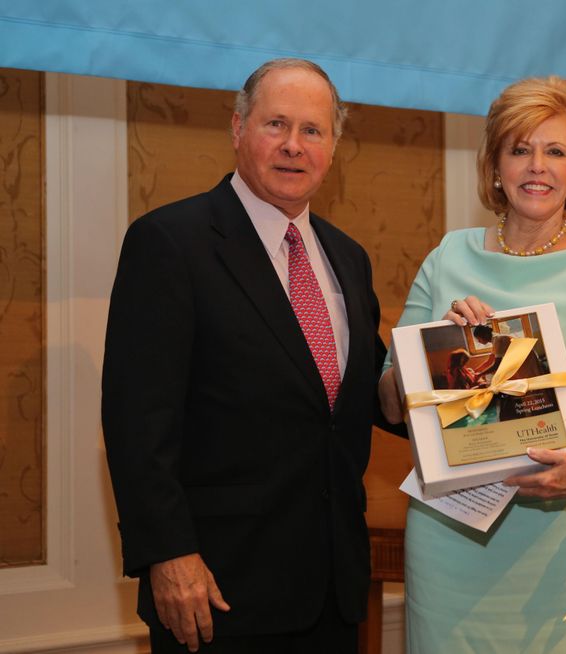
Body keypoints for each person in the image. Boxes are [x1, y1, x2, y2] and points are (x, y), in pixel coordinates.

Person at [102, 58, 395, 653]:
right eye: (275, 125)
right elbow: (138, 422)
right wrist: (168, 553)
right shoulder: (170, 243)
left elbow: (364, 398)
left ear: (333, 146)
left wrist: (480, 377)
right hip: (216, 593)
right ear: (238, 129)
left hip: (333, 592)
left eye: (312, 130)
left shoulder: (347, 257)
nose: (293, 146)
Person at [378, 76, 566, 652]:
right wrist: (438, 351)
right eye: (519, 149)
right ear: (496, 165)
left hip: (559, 542)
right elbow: (392, 400)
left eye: (555, 151)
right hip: (450, 539)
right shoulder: (450, 254)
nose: (536, 167)